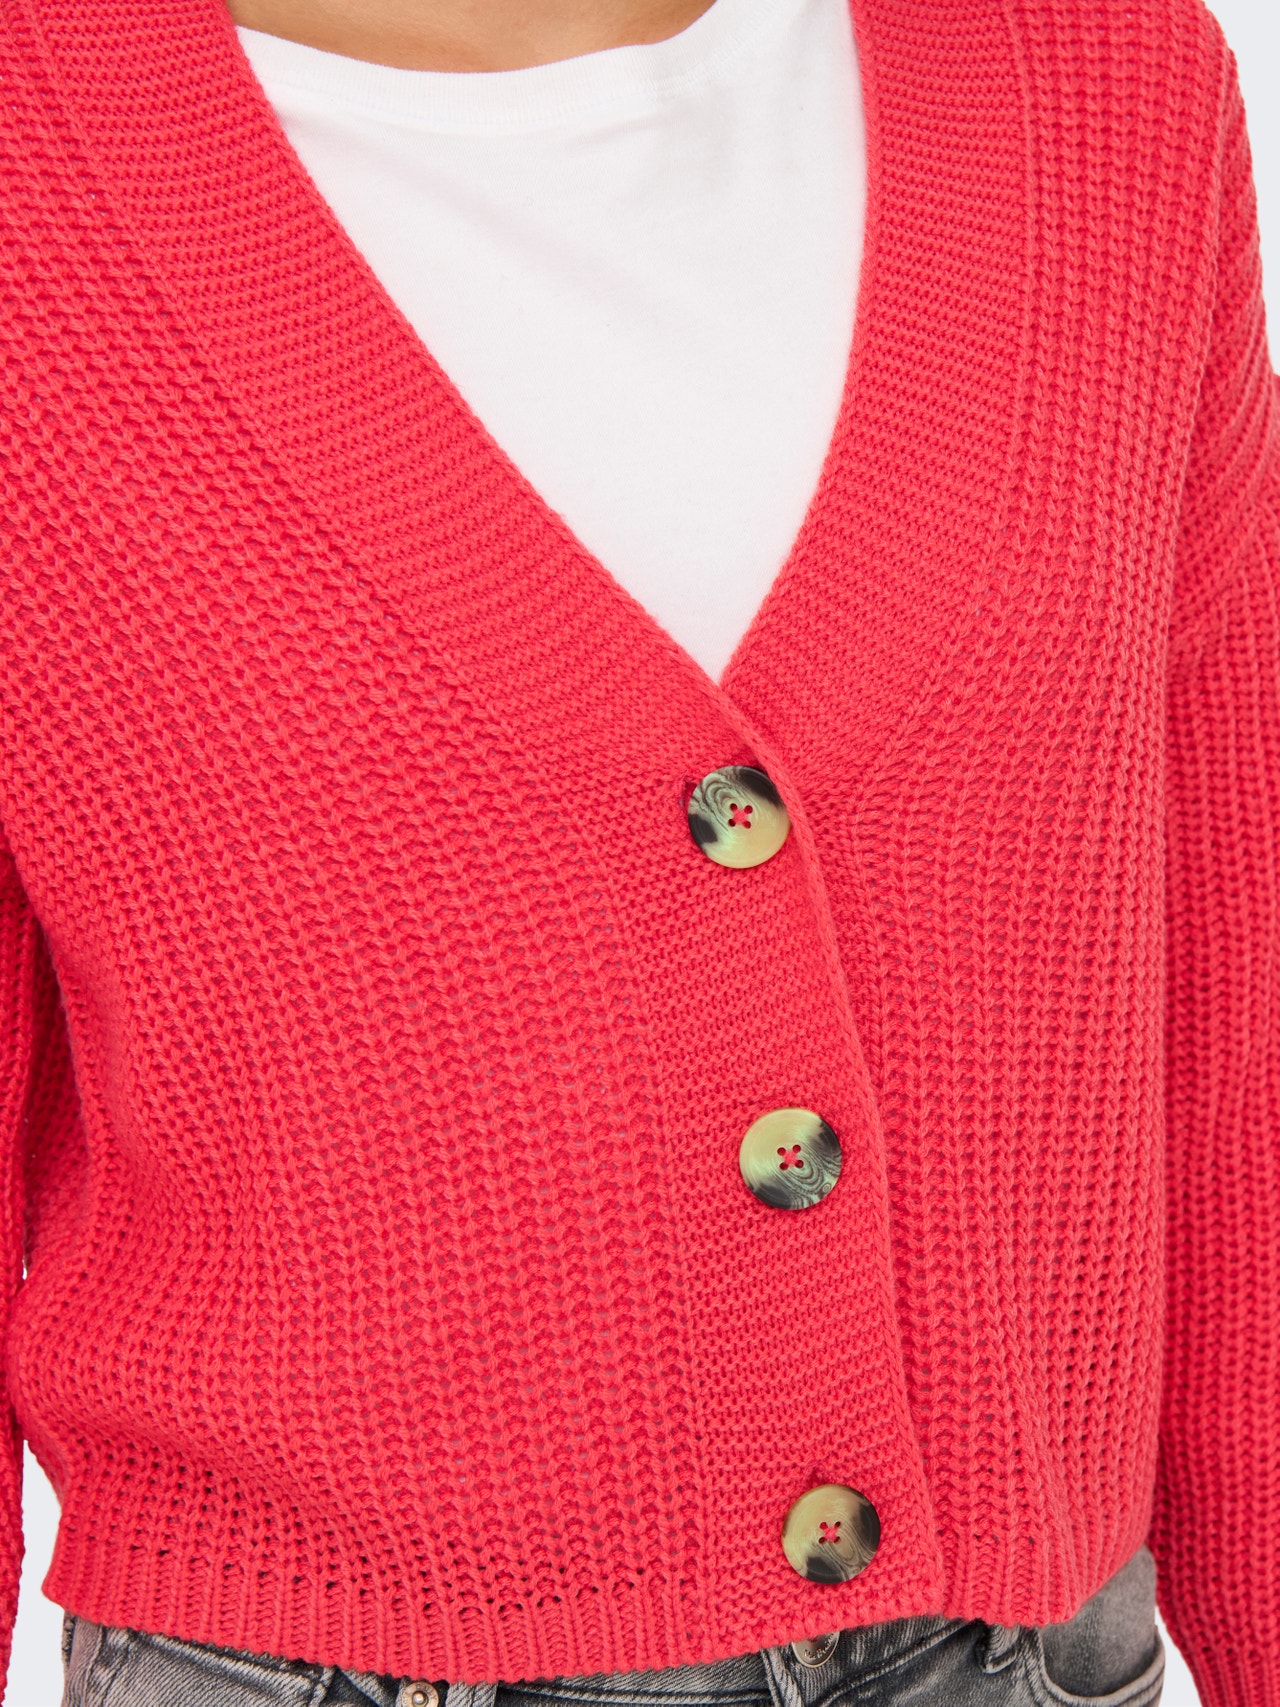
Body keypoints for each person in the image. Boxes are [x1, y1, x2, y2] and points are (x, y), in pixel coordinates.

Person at [0, 0, 1275, 1703]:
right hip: (311, 1660)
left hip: (1030, 1651)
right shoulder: (36, 172)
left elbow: (1236, 1005)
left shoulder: (1103, 85)